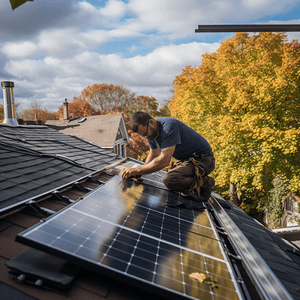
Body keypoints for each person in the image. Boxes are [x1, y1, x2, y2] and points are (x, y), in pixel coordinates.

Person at [122, 111, 215, 202]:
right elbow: (153, 154)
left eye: (145, 134)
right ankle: (196, 180)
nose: (146, 137)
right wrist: (138, 173)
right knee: (172, 175)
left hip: (203, 160)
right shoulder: (151, 134)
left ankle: (205, 183)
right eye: (143, 136)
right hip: (188, 161)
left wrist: (137, 169)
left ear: (151, 122)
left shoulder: (169, 126)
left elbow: (164, 161)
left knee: (170, 179)